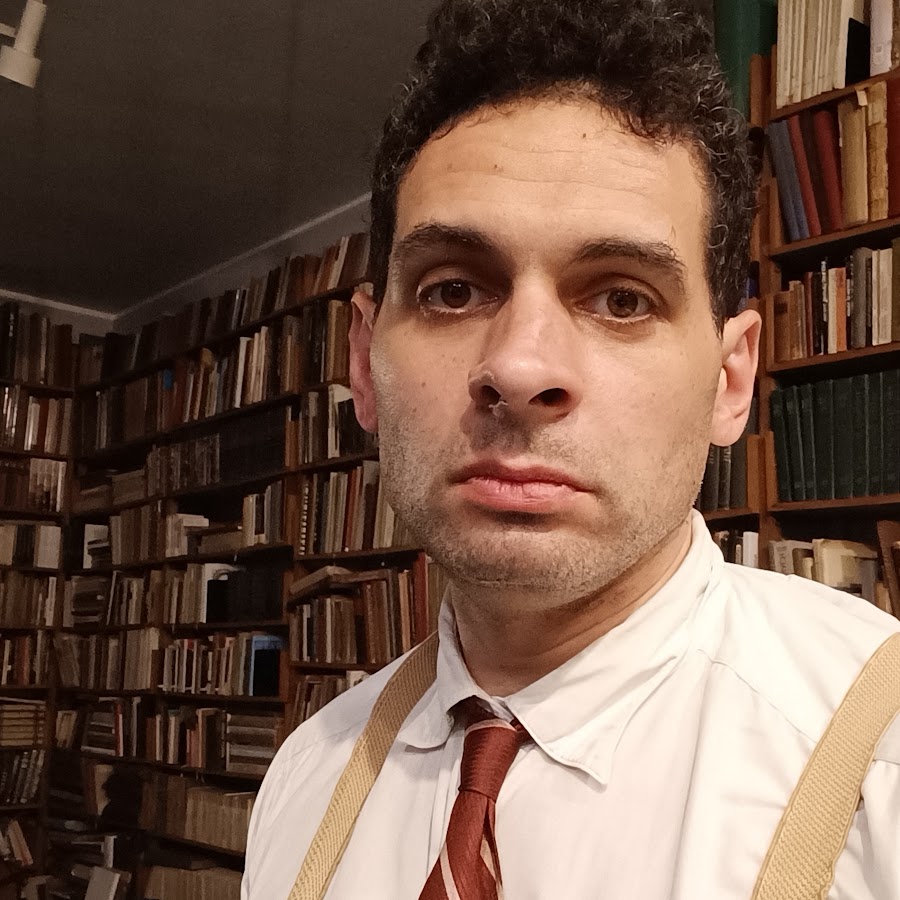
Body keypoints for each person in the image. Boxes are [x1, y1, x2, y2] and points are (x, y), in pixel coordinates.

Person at [242, 1, 900, 897]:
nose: (519, 368)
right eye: (452, 290)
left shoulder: (879, 771)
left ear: (729, 380)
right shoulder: (305, 781)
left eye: (622, 299)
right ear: (364, 362)